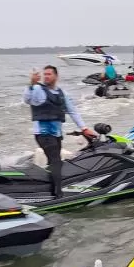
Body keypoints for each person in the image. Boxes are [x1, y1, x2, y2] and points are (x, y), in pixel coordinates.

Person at [23, 65, 96, 199]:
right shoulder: (39, 89)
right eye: (45, 74)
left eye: (49, 74)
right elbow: (28, 100)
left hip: (56, 134)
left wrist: (84, 128)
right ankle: (58, 195)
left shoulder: (62, 94)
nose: (46, 76)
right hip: (43, 134)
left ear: (56, 76)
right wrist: (32, 84)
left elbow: (73, 111)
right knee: (56, 161)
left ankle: (47, 187)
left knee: (54, 161)